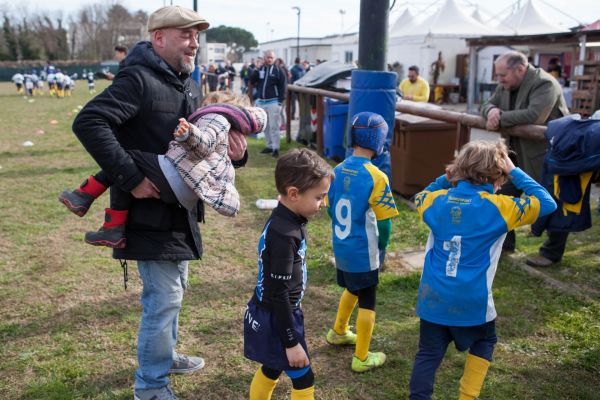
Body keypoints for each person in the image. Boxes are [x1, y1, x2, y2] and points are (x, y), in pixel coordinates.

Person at [70, 6, 213, 400]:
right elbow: (89, 122)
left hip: (178, 210)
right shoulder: (138, 78)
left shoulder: (183, 82)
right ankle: (150, 387)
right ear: (159, 38)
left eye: (196, 35)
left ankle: (165, 358)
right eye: (185, 34)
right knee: (163, 300)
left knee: (175, 291)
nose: (194, 42)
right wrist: (132, 179)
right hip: (148, 214)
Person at [409, 140, 556, 400]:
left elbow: (419, 196)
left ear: (458, 169)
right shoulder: (501, 207)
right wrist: (515, 172)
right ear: (498, 174)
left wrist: (445, 180)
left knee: (428, 354)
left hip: (433, 297)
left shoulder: (437, 200)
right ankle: (468, 396)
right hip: (473, 301)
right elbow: (547, 203)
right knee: (485, 341)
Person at [60, 92, 265, 248]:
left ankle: (85, 196)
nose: (200, 108)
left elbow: (203, 143)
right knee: (126, 173)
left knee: (126, 161)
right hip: (187, 191)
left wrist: (188, 133)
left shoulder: (216, 119)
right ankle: (111, 227)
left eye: (205, 104)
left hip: (178, 176)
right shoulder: (225, 127)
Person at [244, 148, 333, 400]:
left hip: (276, 311)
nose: (323, 204)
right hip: (278, 315)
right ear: (293, 193)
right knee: (303, 376)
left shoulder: (286, 219)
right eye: (319, 197)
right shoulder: (285, 235)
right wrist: (291, 342)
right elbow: (278, 293)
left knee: (272, 367)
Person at [325, 112, 399, 372]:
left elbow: (329, 207)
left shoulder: (336, 169)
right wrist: (383, 246)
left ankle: (339, 331)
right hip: (363, 251)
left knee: (353, 288)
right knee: (368, 298)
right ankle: (362, 357)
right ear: (380, 142)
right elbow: (384, 222)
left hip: (342, 246)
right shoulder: (376, 176)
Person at [482, 50, 570, 267]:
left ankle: (551, 253)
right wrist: (492, 109)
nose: (499, 80)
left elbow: (534, 115)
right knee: (501, 194)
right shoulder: (506, 83)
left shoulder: (545, 84)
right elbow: (485, 105)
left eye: (503, 75)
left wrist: (499, 117)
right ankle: (506, 244)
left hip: (547, 156)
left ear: (520, 69)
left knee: (552, 200)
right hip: (514, 153)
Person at [248, 50, 287, 158]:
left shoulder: (279, 71)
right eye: (267, 57)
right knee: (265, 126)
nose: (269, 59)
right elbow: (252, 80)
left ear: (274, 58)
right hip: (261, 102)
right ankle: (269, 145)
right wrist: (256, 68)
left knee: (274, 126)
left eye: (271, 57)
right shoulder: (261, 69)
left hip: (273, 102)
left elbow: (283, 87)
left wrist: (280, 102)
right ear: (264, 58)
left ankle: (276, 148)